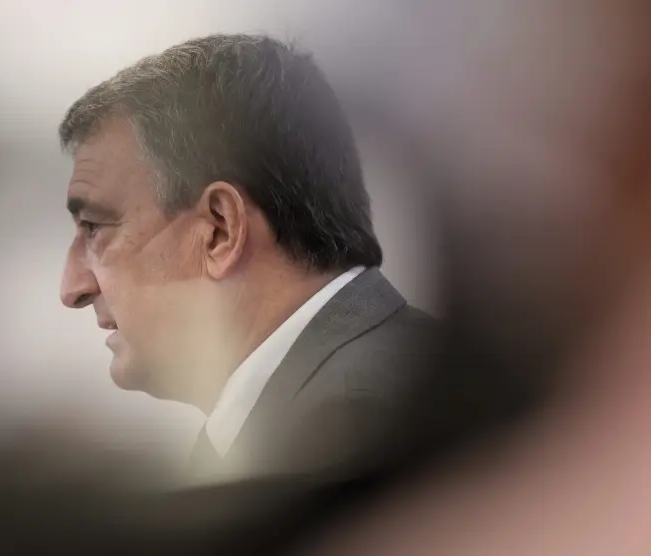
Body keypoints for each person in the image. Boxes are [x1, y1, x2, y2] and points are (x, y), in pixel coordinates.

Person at [57, 33, 436, 483]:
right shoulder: (353, 401)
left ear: (219, 230)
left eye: (95, 229)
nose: (72, 289)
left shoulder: (353, 432)